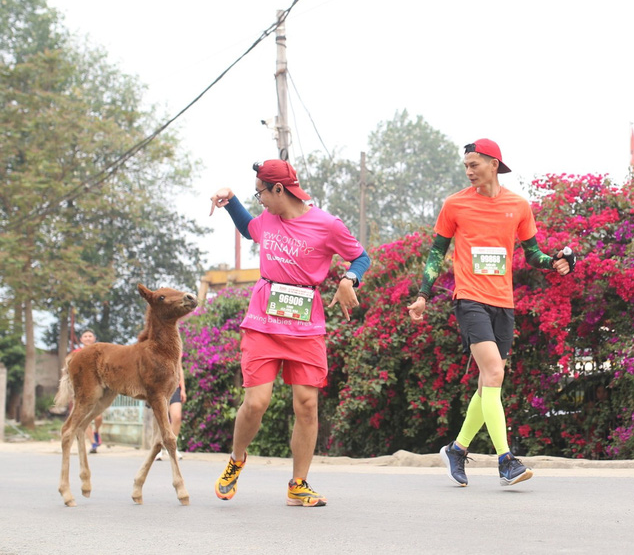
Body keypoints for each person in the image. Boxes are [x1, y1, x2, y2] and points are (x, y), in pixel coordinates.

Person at [407, 139, 574, 487]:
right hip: (469, 299)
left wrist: (555, 261)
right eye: (466, 166)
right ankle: (506, 461)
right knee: (495, 372)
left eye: (474, 165)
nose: (468, 171)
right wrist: (423, 294)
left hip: (503, 303)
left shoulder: (518, 205)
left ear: (494, 164)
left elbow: (533, 255)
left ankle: (457, 449)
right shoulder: (454, 204)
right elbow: (437, 252)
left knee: (488, 384)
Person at [209, 159, 369, 507]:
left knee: (307, 405)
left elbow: (361, 258)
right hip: (263, 324)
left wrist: (347, 279)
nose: (260, 200)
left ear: (279, 189)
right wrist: (231, 200)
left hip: (305, 328)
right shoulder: (267, 220)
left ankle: (298, 484)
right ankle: (237, 459)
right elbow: (248, 227)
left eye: (261, 193)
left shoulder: (327, 224)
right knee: (256, 403)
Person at [75, 330, 105, 453]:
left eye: (90, 336)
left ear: (94, 339)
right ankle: (93, 443)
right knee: (85, 417)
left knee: (98, 417)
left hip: (97, 388)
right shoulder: (76, 354)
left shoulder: (100, 353)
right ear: (81, 339)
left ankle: (96, 431)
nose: (87, 338)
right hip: (81, 390)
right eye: (85, 336)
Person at [156, 356, 186, 461]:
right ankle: (158, 448)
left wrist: (183, 389)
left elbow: (179, 367)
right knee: (161, 419)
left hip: (175, 387)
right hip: (160, 387)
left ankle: (172, 447)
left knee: (177, 417)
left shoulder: (176, 345)